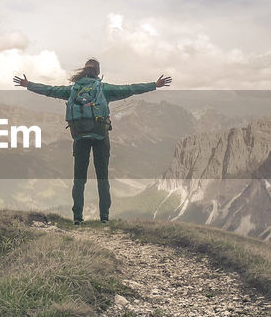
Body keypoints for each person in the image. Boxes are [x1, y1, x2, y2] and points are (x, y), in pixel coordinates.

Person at [15, 58, 172, 224]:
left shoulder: (73, 89)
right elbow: (130, 89)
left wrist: (29, 85)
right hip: (100, 136)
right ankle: (104, 218)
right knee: (102, 179)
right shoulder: (104, 89)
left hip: (80, 137)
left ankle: (77, 219)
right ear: (97, 72)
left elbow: (50, 90)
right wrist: (155, 85)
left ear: (84, 71)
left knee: (79, 180)